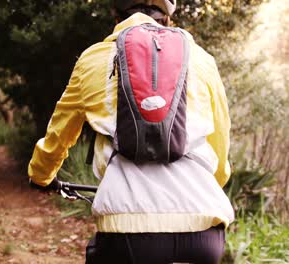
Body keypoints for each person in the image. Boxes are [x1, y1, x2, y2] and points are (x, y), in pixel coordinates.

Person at [28, 0, 235, 263]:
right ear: (168, 19)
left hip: (128, 232)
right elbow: (219, 143)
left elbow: (59, 135)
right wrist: (209, 184)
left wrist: (41, 175)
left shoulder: (93, 59)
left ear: (115, 15)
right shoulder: (202, 59)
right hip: (205, 229)